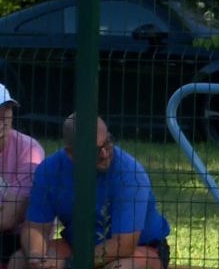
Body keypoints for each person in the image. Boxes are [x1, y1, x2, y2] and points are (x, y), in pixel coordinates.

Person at [11, 115, 171, 269]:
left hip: (140, 248)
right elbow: (35, 228)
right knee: (20, 261)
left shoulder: (130, 175)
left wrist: (69, 265)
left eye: (108, 142)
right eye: (94, 150)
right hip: (78, 246)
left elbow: (124, 245)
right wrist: (37, 257)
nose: (104, 154)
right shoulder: (49, 170)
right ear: (71, 153)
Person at [0, 84, 44, 267]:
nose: (2, 117)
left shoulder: (28, 150)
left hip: (20, 237)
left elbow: (8, 220)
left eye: (7, 109)